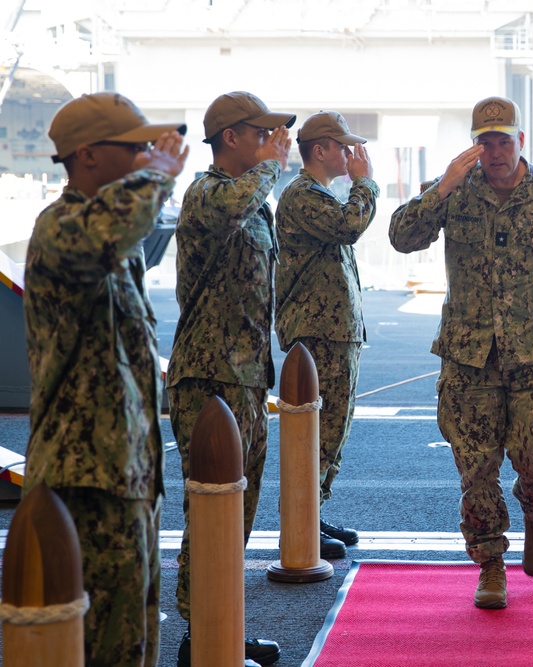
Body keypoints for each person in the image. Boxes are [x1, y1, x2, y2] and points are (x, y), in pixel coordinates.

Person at [389, 95, 533, 610]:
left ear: (520, 141)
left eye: (503, 140)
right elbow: (401, 237)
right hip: (468, 357)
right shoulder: (453, 194)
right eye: (484, 142)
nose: (494, 152)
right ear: (474, 147)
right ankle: (490, 565)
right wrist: (440, 188)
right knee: (476, 467)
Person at [21, 92, 188, 667]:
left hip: (125, 469)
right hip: (83, 477)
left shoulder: (116, 240)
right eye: (136, 147)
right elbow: (108, 233)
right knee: (99, 645)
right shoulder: (63, 229)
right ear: (88, 156)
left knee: (134, 635)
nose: (149, 155)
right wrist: (160, 176)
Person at [166, 91, 294, 667]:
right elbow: (234, 207)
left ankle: (219, 627)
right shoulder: (208, 193)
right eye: (260, 133)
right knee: (212, 506)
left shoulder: (252, 199)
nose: (271, 142)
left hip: (244, 373)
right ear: (231, 138)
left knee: (237, 509)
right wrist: (272, 165)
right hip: (209, 374)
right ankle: (201, 636)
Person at [275, 111, 378, 558]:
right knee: (316, 432)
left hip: (334, 331)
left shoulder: (316, 194)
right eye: (342, 147)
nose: (350, 154)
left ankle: (311, 512)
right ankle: (300, 521)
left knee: (332, 430)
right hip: (318, 332)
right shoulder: (302, 196)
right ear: (320, 151)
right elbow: (349, 227)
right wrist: (365, 183)